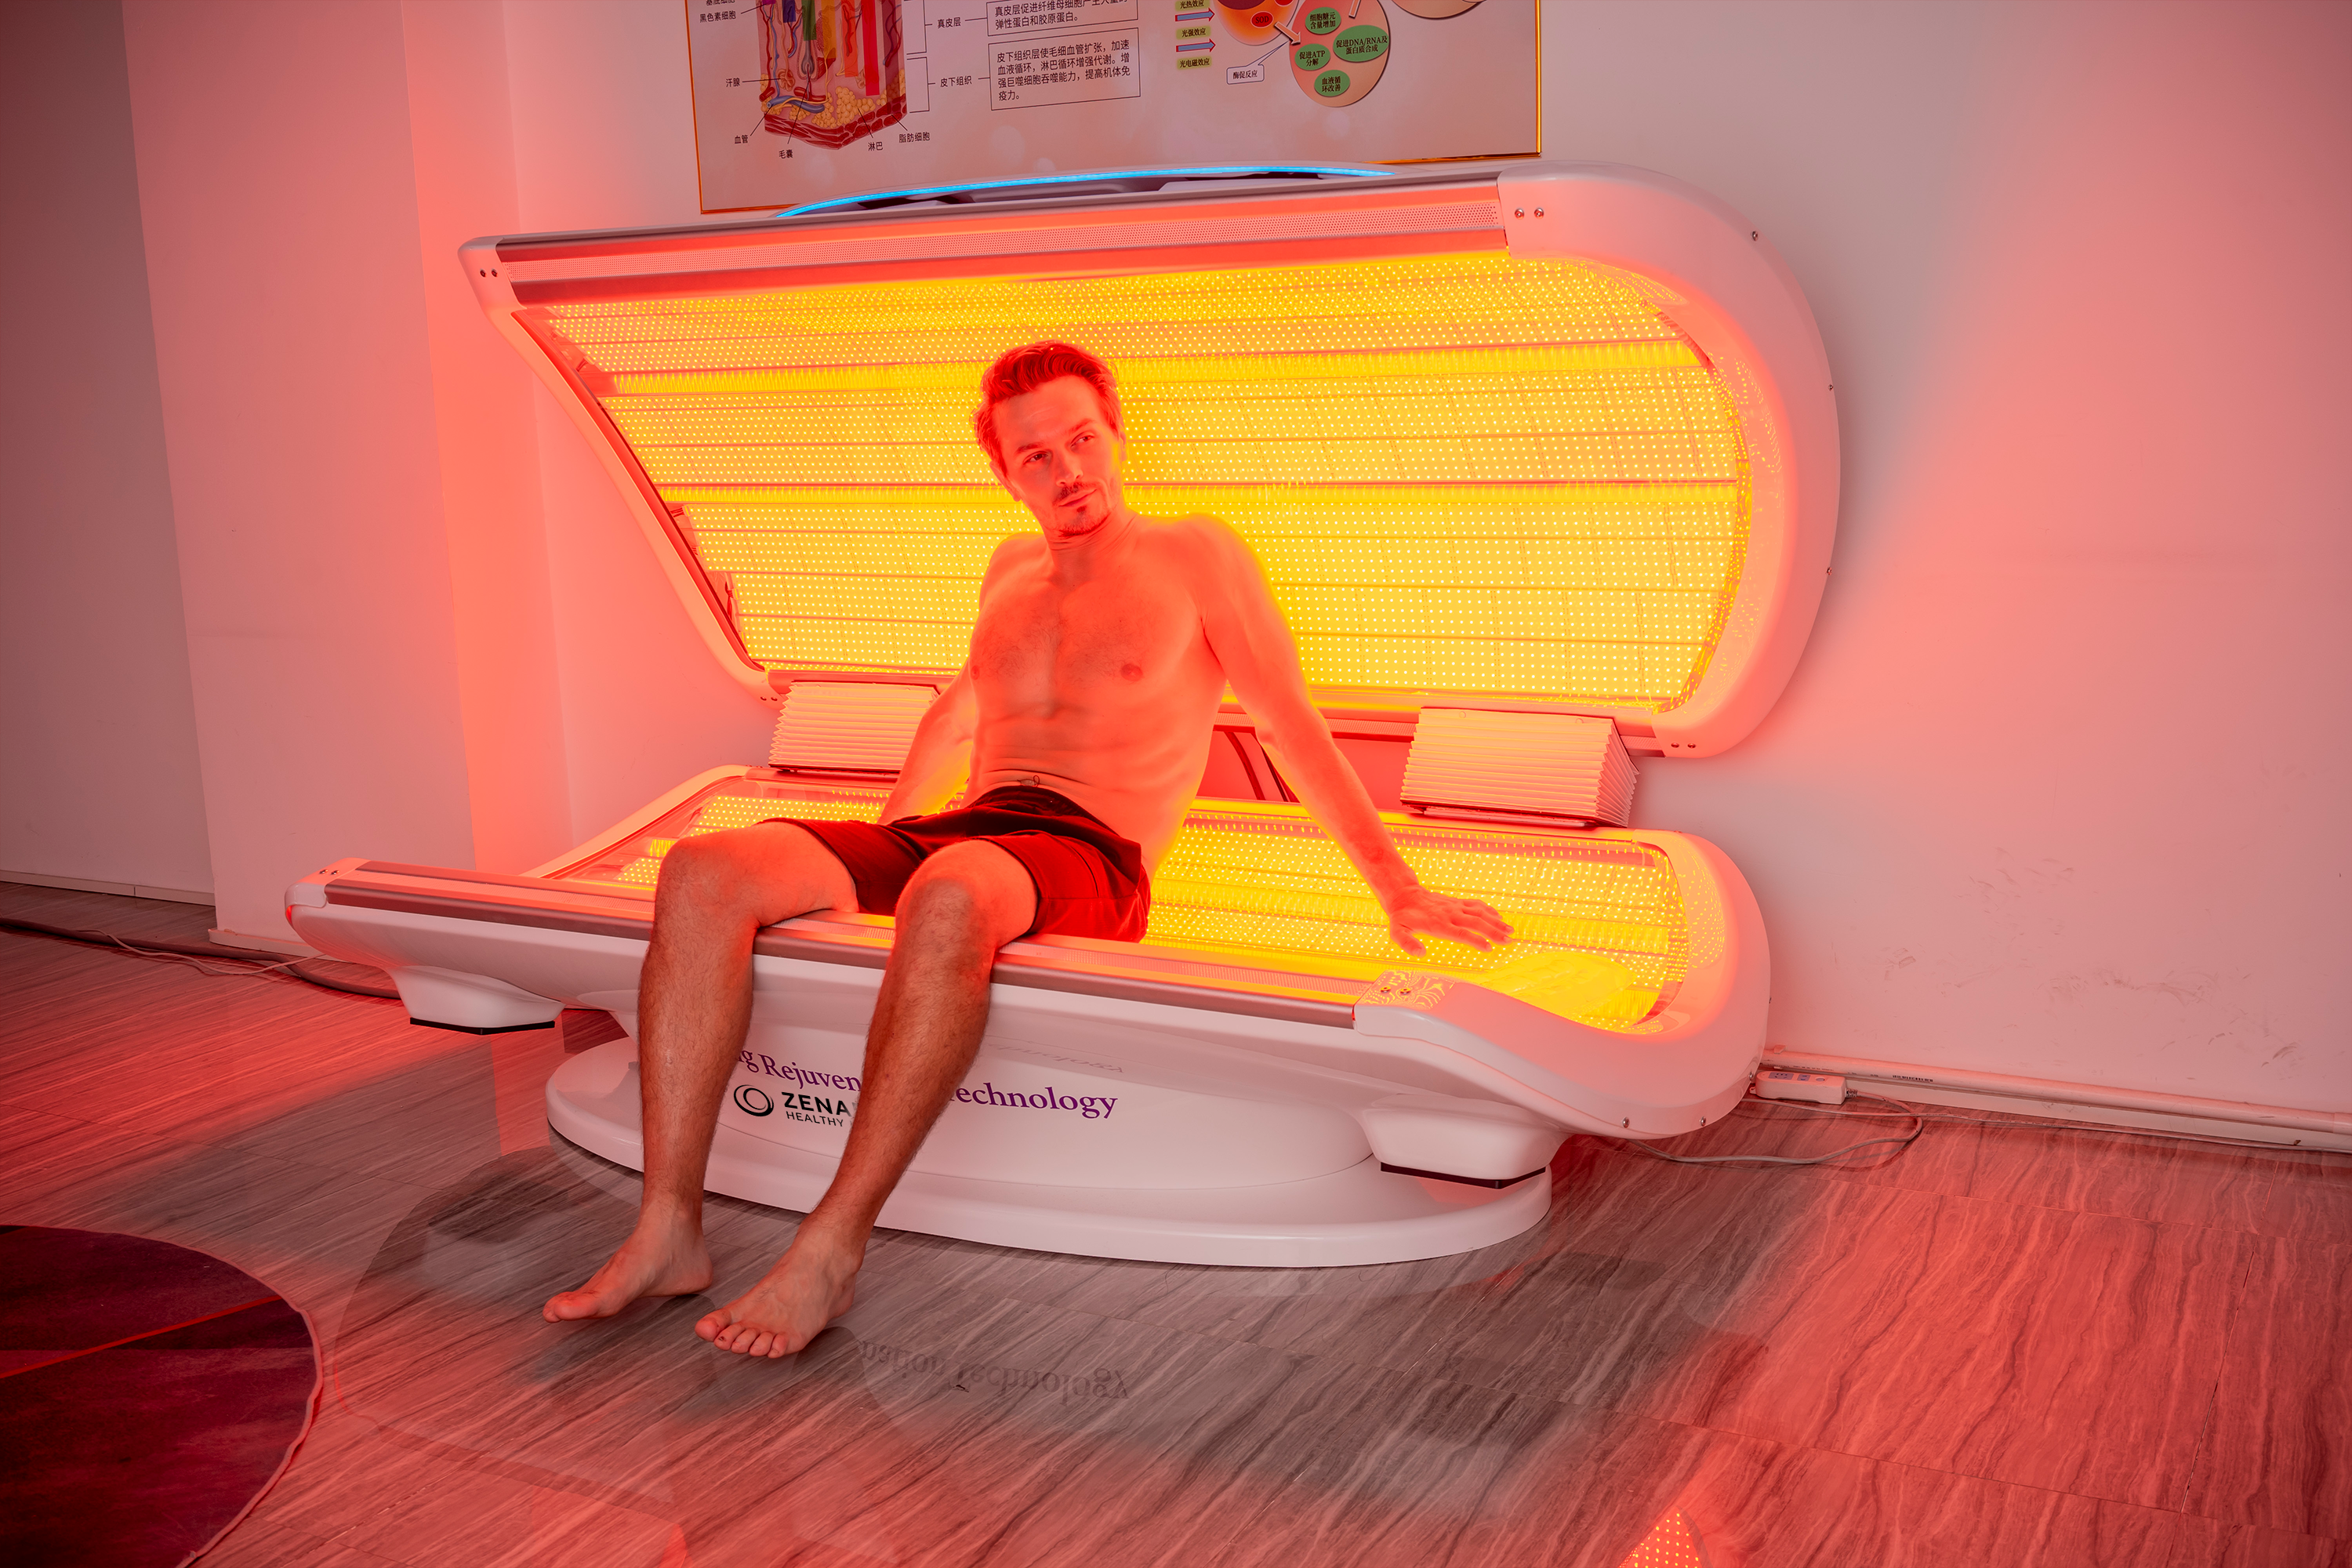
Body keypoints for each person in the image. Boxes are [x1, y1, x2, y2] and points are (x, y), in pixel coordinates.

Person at [543, 341, 1512, 1355]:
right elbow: (951, 725)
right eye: (1037, 457)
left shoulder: (1196, 555)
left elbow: (1290, 726)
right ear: (1006, 477)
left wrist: (1398, 889)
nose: (1070, 472)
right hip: (964, 830)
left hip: (1091, 850)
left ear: (1119, 437)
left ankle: (830, 1246)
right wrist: (869, 860)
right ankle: (668, 1227)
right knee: (707, 872)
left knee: (955, 888)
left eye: (1083, 441)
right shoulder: (1007, 571)